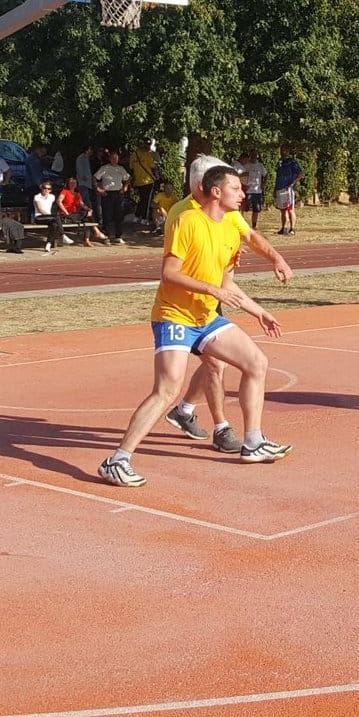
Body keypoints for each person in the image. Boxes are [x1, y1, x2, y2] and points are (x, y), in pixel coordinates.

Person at [99, 165, 288, 487]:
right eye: (235, 188)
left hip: (206, 318)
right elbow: (169, 273)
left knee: (257, 362)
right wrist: (213, 290)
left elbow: (226, 283)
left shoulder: (231, 228)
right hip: (174, 315)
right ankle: (117, 461)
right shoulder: (187, 221)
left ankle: (253, 442)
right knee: (167, 390)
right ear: (215, 191)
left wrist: (259, 311)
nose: (242, 194)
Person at [161, 155, 293, 452]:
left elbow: (248, 237)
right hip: (187, 303)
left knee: (230, 361)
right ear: (208, 187)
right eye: (232, 186)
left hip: (214, 294)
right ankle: (221, 427)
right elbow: (175, 268)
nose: (239, 192)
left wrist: (275, 258)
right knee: (208, 365)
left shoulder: (227, 212)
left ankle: (185, 410)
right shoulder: (184, 215)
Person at [94, 148, 131, 243]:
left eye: (116, 158)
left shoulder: (121, 169)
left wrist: (125, 187)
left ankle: (118, 235)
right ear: (110, 159)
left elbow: (127, 178)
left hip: (118, 193)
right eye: (113, 158)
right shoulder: (104, 168)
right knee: (106, 215)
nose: (114, 160)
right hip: (107, 193)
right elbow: (95, 178)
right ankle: (106, 235)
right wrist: (98, 189)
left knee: (119, 215)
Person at [59, 176, 110, 245]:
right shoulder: (65, 191)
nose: (73, 184)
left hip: (75, 215)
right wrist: (65, 212)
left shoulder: (77, 193)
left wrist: (89, 209)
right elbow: (59, 201)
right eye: (71, 183)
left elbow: (82, 204)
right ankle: (97, 233)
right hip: (67, 215)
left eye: (74, 183)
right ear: (68, 183)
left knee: (87, 218)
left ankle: (87, 240)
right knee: (86, 215)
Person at [129, 139, 159, 225]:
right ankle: (144, 218)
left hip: (138, 181)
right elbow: (153, 167)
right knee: (147, 200)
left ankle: (137, 216)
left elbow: (131, 168)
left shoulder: (133, 155)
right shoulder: (147, 155)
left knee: (142, 199)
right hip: (148, 181)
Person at [274, 148, 302, 236]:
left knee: (290, 209)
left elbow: (300, 173)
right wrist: (275, 188)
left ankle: (292, 228)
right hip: (279, 188)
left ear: (288, 152)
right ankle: (283, 228)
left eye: (285, 150)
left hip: (288, 189)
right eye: (282, 150)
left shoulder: (292, 162)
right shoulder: (279, 162)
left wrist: (293, 183)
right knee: (282, 210)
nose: (283, 152)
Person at [32, 179, 65, 253]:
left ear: (51, 190)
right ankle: (62, 235)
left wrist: (51, 216)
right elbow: (40, 209)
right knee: (56, 217)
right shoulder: (37, 197)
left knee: (54, 225)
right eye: (45, 188)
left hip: (50, 218)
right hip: (39, 217)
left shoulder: (52, 197)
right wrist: (51, 216)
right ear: (41, 188)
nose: (46, 190)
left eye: (49, 189)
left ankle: (48, 244)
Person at [240, 150, 268, 231]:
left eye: (255, 155)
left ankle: (254, 225)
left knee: (256, 209)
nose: (254, 156)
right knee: (244, 208)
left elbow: (266, 174)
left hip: (257, 191)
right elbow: (240, 174)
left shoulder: (260, 165)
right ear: (250, 155)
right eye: (252, 155)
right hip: (247, 190)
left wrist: (263, 184)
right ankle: (242, 224)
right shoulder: (246, 165)